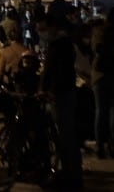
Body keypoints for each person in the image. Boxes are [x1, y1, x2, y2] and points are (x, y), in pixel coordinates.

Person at [37, 14, 82, 190]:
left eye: (44, 29)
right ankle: (69, 174)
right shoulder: (62, 43)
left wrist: (49, 90)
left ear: (53, 27)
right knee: (64, 137)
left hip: (62, 95)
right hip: (63, 93)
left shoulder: (60, 45)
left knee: (66, 138)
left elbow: (56, 71)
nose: (42, 32)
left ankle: (72, 177)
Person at [91, 9, 114, 159]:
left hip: (99, 74)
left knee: (101, 111)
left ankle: (100, 146)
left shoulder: (98, 32)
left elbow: (95, 50)